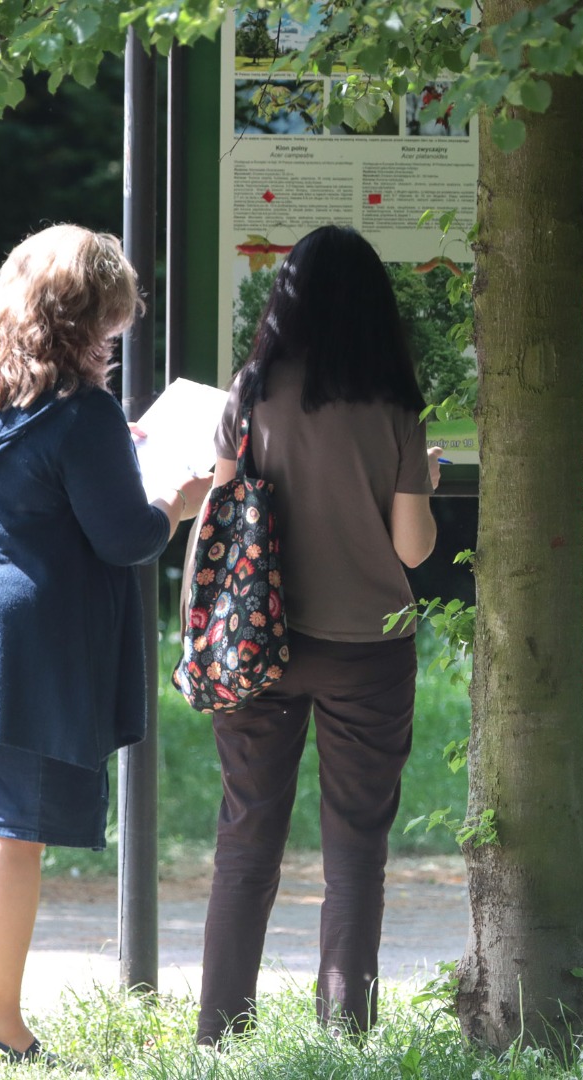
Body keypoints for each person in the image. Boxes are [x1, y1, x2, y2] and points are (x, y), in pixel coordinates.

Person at [0, 224, 211, 1062]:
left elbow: (31, 478)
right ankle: (3, 1028)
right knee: (13, 834)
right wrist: (176, 500)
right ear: (85, 319)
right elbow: (125, 538)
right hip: (31, 643)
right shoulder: (81, 411)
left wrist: (111, 456)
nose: (111, 341)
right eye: (109, 325)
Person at [196, 224, 441, 1045]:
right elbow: (412, 550)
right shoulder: (396, 406)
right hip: (367, 651)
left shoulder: (253, 391)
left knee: (246, 833)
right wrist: (423, 482)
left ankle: (221, 1032)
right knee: (355, 848)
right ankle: (345, 1033)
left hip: (257, 646)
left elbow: (225, 519)